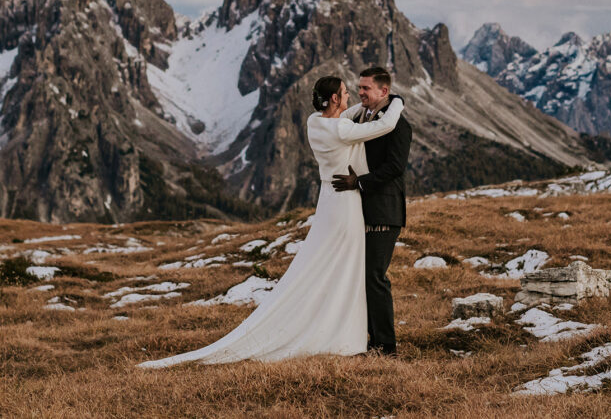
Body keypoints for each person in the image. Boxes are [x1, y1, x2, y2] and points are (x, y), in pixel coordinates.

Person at [136, 75, 404, 368]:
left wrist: (360, 107)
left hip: (329, 201)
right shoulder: (341, 128)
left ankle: (342, 327)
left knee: (332, 264)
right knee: (346, 267)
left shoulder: (316, 121)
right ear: (336, 99)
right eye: (345, 92)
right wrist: (397, 102)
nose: (351, 95)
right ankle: (343, 332)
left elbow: (350, 115)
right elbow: (385, 125)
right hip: (346, 204)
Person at [330, 67, 411, 356]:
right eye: (360, 88)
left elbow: (395, 167)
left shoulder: (398, 124)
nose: (361, 92)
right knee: (362, 276)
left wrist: (359, 182)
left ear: (383, 91)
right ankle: (371, 340)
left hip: (384, 209)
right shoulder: (364, 117)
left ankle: (386, 346)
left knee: (375, 276)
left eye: (366, 88)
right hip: (362, 209)